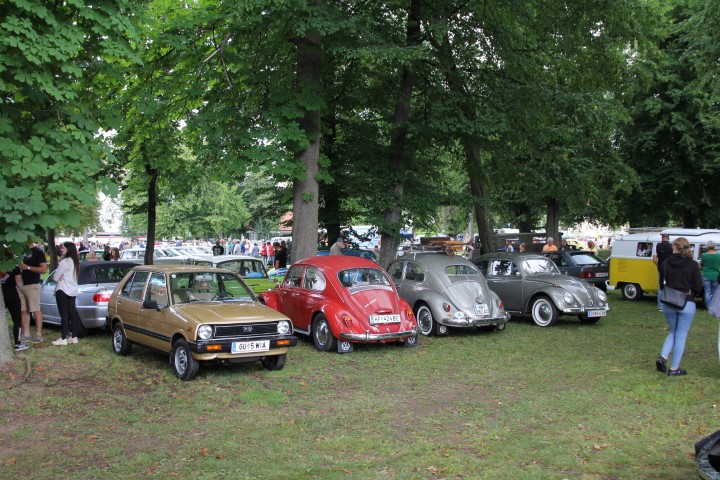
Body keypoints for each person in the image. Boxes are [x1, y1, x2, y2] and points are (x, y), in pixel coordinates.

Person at [656, 237, 703, 376]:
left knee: (673, 331)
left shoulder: (665, 263)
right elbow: (698, 286)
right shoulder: (693, 264)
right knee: (681, 334)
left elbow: (661, 284)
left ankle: (663, 357)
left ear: (674, 248)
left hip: (669, 301)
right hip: (686, 302)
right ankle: (674, 369)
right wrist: (691, 294)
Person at [51, 242, 82, 346]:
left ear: (68, 249)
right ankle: (74, 337)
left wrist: (58, 277)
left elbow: (55, 277)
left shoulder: (65, 262)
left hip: (63, 289)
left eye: (63, 248)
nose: (61, 249)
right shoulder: (76, 262)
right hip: (72, 290)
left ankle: (64, 338)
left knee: (63, 314)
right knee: (72, 313)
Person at [17, 241, 48, 343]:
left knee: (35, 309)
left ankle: (38, 334)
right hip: (20, 284)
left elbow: (44, 269)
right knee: (23, 309)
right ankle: (26, 333)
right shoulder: (19, 251)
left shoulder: (38, 252)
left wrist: (28, 267)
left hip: (32, 284)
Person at [2, 253, 28, 351]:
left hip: (2, 294)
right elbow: (18, 281)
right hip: (12, 294)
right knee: (17, 319)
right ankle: (18, 343)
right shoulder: (14, 266)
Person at [653, 234, 673, 311]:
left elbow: (654, 259)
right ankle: (668, 304)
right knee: (669, 286)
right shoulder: (671, 246)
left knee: (660, 286)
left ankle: (660, 306)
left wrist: (659, 266)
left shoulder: (657, 246)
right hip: (670, 268)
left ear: (662, 238)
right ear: (668, 238)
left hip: (661, 268)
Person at [701, 241, 720, 308]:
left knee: (707, 291)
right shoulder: (718, 255)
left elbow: (702, 264)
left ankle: (709, 307)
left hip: (706, 274)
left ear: (707, 246)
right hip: (716, 274)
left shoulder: (704, 255)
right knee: (715, 291)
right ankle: (715, 306)